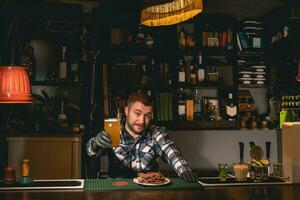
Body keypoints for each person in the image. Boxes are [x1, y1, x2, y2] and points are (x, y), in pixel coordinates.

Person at [86, 92, 198, 182]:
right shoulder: (113, 130)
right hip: (117, 189)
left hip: (149, 191)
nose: (142, 121)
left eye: (147, 116)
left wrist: (184, 170)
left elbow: (170, 151)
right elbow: (90, 152)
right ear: (126, 111)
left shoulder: (156, 133)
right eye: (137, 114)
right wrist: (95, 143)